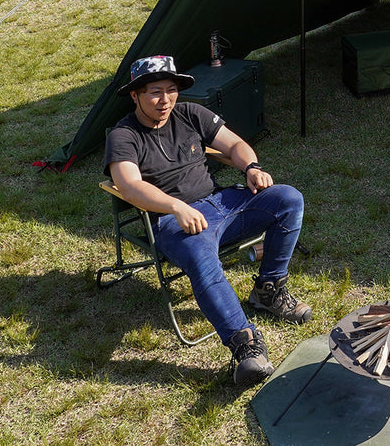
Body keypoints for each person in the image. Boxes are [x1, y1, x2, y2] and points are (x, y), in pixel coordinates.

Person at [104, 54, 311, 386]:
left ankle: (268, 290)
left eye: (171, 90)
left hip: (221, 203)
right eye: (155, 92)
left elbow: (235, 144)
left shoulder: (189, 113)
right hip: (175, 221)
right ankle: (246, 345)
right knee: (202, 257)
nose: (165, 100)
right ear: (135, 95)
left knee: (288, 199)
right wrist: (175, 207)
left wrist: (251, 168)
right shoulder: (123, 135)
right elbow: (129, 185)